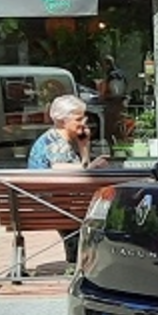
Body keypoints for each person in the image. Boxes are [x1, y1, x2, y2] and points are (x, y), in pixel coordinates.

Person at [28, 94, 109, 264]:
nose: (84, 122)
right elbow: (63, 170)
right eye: (79, 118)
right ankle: (79, 262)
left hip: (50, 204)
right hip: (54, 206)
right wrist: (93, 167)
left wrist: (84, 146)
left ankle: (80, 261)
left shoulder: (54, 139)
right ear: (63, 120)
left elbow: (80, 171)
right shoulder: (57, 143)